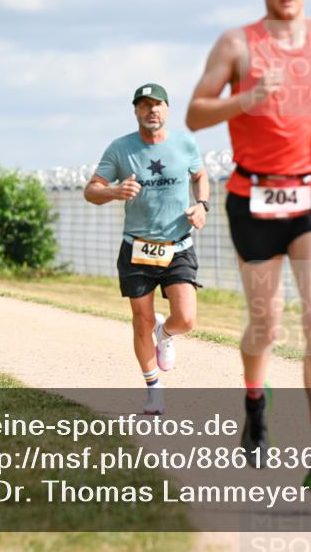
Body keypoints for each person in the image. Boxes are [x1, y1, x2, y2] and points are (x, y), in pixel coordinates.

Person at [186, 0, 311, 497]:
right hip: (254, 195)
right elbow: (195, 112)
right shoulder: (237, 43)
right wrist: (243, 100)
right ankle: (254, 401)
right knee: (266, 322)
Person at [84, 83, 209, 415]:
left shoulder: (184, 143)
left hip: (178, 245)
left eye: (157, 104)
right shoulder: (120, 149)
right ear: (136, 111)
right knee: (140, 320)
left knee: (186, 318)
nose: (151, 110)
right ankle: (153, 389)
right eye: (144, 105)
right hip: (137, 247)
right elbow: (91, 190)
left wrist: (203, 205)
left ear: (167, 109)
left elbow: (200, 175)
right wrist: (114, 191)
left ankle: (165, 332)